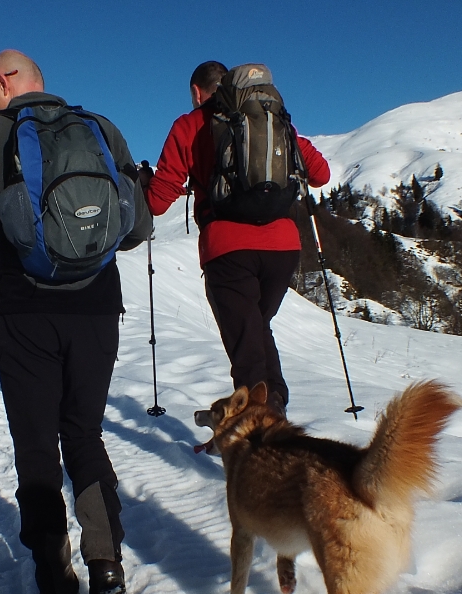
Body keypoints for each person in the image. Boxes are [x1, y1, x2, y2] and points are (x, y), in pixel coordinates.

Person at [0, 49, 151, 594]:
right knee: (83, 432)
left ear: (6, 84)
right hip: (96, 309)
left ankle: (57, 584)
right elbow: (137, 227)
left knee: (36, 448)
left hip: (24, 314)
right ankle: (106, 565)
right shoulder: (101, 128)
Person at [142, 61, 331, 415]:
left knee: (247, 348)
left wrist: (144, 186)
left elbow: (157, 201)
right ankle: (273, 414)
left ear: (197, 92)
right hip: (283, 248)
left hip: (228, 250)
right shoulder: (271, 120)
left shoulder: (189, 125)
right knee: (258, 330)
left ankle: (262, 439)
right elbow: (320, 174)